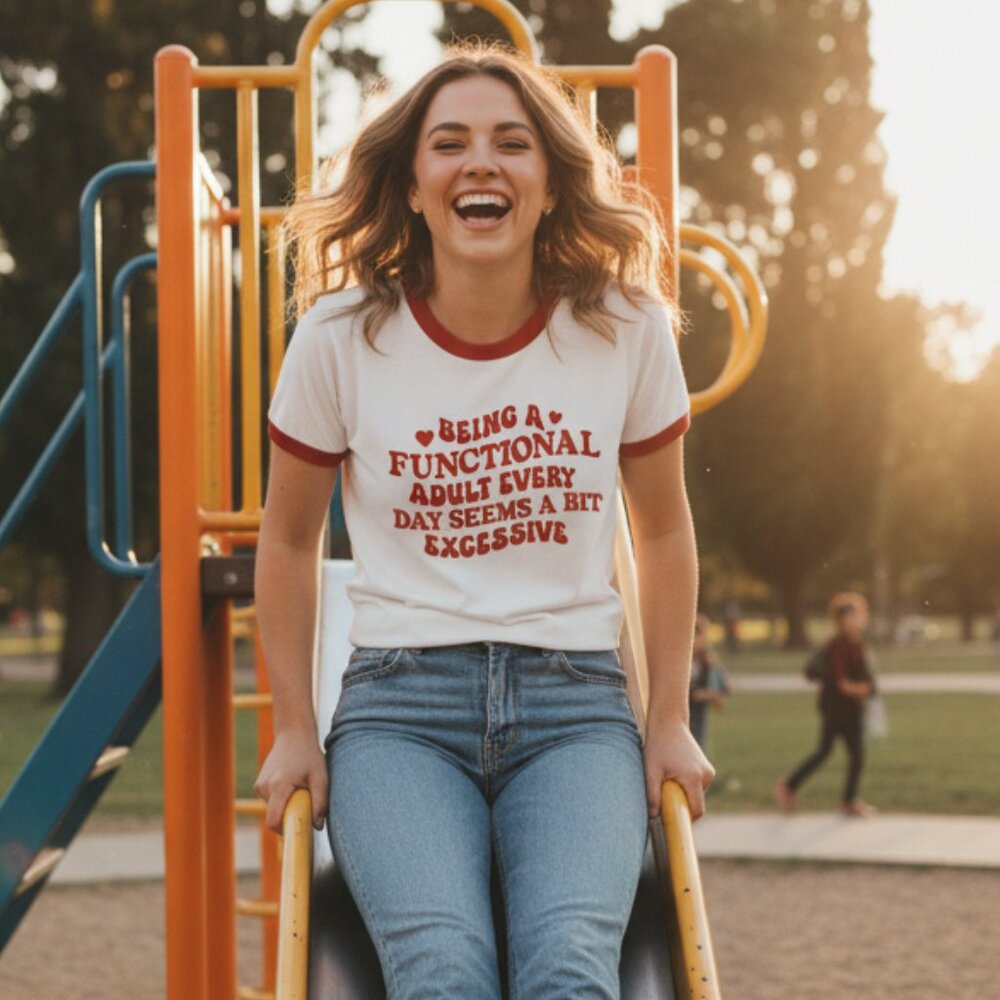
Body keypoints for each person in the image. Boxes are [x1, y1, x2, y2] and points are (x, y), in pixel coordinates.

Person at [252, 42, 713, 1000]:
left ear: (549, 183)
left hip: (575, 710)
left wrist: (666, 717)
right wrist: (296, 726)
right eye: (448, 143)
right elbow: (290, 539)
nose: (481, 164)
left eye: (513, 143)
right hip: (399, 713)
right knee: (443, 975)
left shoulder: (622, 327)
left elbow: (664, 531)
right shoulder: (341, 337)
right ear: (413, 186)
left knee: (569, 975)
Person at [775, 592, 877, 818]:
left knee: (856, 754)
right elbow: (843, 684)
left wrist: (867, 691)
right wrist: (862, 690)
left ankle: (849, 800)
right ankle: (789, 786)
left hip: (851, 709)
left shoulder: (858, 644)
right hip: (836, 709)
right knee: (826, 751)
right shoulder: (837, 646)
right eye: (858, 615)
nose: (863, 618)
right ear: (845, 620)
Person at [688, 613, 730, 749]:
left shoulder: (709, 662)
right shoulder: (681, 662)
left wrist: (709, 694)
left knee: (698, 748)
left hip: (698, 718)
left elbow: (722, 690)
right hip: (681, 716)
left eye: (698, 635)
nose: (695, 640)